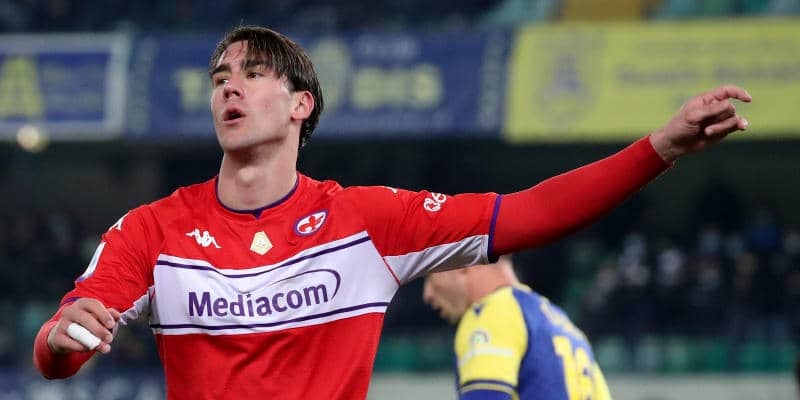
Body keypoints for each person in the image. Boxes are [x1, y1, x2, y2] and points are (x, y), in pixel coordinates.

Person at [32, 25, 751, 399]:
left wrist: (661, 147)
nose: (230, 88)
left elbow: (530, 214)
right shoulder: (150, 230)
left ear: (301, 104)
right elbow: (59, 353)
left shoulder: (366, 223)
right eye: (221, 77)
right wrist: (62, 338)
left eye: (253, 73)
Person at [423, 256, 611, 399]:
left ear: (463, 262)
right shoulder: (563, 324)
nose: (427, 294)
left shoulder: (491, 315)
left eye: (431, 276)